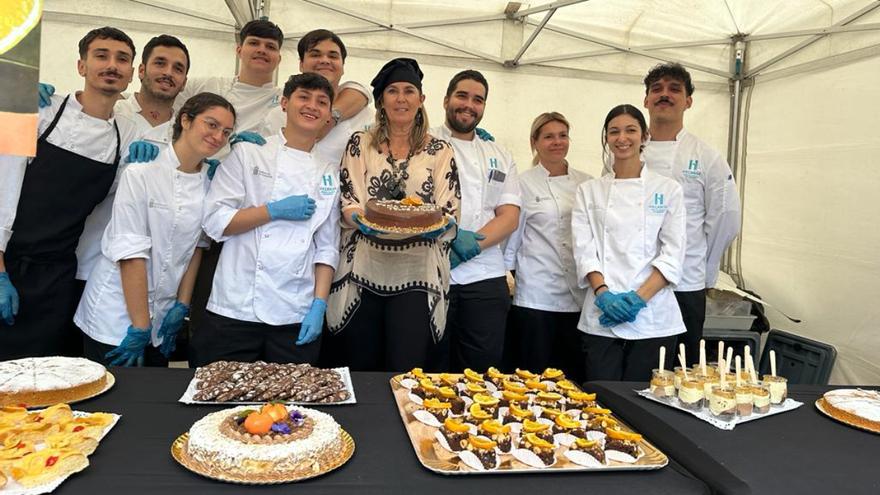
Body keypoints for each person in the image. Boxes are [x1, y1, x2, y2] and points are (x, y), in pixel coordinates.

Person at [0, 27, 147, 360]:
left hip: (59, 276)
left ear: (130, 74)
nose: (112, 65)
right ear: (81, 66)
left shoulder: (127, 135)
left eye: (122, 59)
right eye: (101, 55)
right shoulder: (41, 111)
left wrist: (210, 163)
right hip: (8, 263)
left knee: (48, 374)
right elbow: (2, 192)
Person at [73, 93, 235, 367]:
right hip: (115, 317)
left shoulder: (210, 183)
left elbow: (197, 247)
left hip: (161, 317)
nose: (218, 136)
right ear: (185, 120)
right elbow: (130, 252)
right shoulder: (141, 173)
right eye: (211, 124)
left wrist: (181, 306)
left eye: (227, 132)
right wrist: (139, 326)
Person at [194, 73, 340, 365]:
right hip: (235, 307)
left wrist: (319, 304)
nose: (312, 106)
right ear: (284, 103)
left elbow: (326, 247)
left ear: (328, 115)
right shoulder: (249, 153)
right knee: (221, 402)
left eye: (322, 102)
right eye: (304, 97)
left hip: (294, 312)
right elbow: (214, 221)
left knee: (289, 408)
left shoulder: (329, 171)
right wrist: (272, 211)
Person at [326, 58, 461, 371]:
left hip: (417, 272)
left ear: (421, 100)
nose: (401, 98)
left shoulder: (440, 150)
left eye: (409, 91)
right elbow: (350, 198)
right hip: (363, 267)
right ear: (381, 101)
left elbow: (450, 207)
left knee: (406, 368)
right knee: (360, 366)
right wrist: (360, 219)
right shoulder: (360, 143)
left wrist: (435, 225)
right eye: (393, 91)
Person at [572, 104, 686, 381]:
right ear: (606, 138)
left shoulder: (668, 189)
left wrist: (637, 299)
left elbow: (673, 252)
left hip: (653, 316)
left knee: (644, 405)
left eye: (630, 130)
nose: (622, 138)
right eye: (614, 132)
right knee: (601, 400)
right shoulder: (589, 191)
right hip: (602, 312)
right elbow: (585, 249)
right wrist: (604, 294)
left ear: (644, 136)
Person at [639, 63, 741, 363]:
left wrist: (705, 268)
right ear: (646, 100)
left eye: (674, 89)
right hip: (635, 281)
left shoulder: (706, 156)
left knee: (680, 371)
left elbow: (725, 216)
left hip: (685, 282)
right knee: (638, 371)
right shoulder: (628, 149)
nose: (664, 95)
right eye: (656, 89)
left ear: (688, 101)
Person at [430, 70, 520, 371]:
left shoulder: (499, 154)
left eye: (478, 100)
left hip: (485, 279)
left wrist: (471, 246)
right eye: (462, 96)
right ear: (446, 100)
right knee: (429, 367)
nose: (469, 105)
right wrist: (451, 242)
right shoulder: (424, 144)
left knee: (481, 373)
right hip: (432, 274)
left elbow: (509, 216)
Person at [503, 112, 592, 382]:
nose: (557, 142)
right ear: (535, 142)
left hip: (578, 296)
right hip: (535, 296)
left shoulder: (586, 183)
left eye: (562, 135)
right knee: (532, 378)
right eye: (549, 136)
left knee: (572, 379)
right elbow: (512, 239)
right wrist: (506, 276)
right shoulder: (522, 182)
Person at [260, 29, 372, 162]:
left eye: (333, 56)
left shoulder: (365, 116)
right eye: (315, 55)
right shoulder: (276, 116)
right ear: (301, 64)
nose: (325, 60)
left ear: (343, 67)